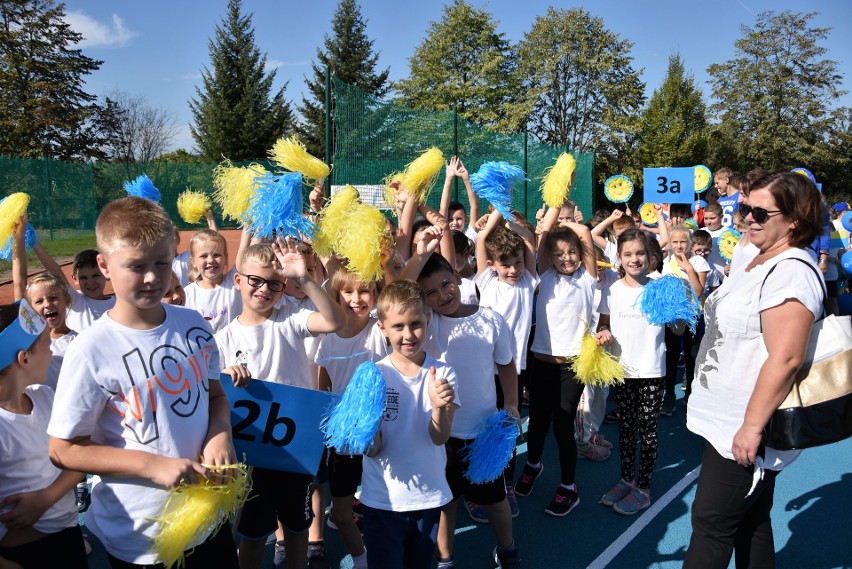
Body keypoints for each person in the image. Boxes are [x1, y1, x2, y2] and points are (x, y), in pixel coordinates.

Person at [47, 196, 239, 569]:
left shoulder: (194, 324)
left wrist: (220, 433)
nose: (152, 276)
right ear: (104, 265)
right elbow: (63, 449)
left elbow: (215, 396)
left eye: (162, 263)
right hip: (143, 537)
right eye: (136, 266)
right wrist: (152, 465)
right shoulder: (90, 349)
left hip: (208, 517)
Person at [684, 171, 826, 568]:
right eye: (746, 209)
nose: (749, 218)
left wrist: (750, 425)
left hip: (744, 425)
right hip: (725, 416)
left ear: (794, 219)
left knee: (711, 526)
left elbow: (786, 358)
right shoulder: (756, 255)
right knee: (751, 521)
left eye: (761, 213)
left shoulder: (792, 270)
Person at [216, 241, 345, 569]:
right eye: (255, 280)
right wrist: (225, 375)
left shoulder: (291, 316)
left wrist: (304, 279)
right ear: (238, 280)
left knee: (298, 527)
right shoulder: (223, 339)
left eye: (274, 283)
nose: (264, 290)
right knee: (253, 533)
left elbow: (334, 322)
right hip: (252, 456)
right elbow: (214, 391)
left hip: (295, 450)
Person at [400, 228, 521, 568]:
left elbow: (507, 365)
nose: (442, 295)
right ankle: (445, 558)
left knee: (495, 501)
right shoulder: (426, 323)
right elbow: (399, 291)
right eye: (431, 293)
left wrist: (510, 404)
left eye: (446, 284)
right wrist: (420, 254)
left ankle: (508, 549)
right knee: (445, 503)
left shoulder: (491, 320)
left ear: (457, 275)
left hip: (482, 434)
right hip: (439, 434)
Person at [516, 202, 609, 517]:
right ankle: (533, 465)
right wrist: (551, 213)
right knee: (538, 423)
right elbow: (542, 241)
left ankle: (569, 487)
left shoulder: (586, 278)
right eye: (559, 254)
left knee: (563, 426)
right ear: (549, 258)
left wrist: (566, 206)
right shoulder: (543, 276)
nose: (566, 258)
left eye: (571, 252)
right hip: (540, 362)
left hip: (572, 365)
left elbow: (584, 236)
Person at [361, 280, 458, 569]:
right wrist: (365, 423)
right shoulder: (372, 376)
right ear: (382, 327)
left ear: (428, 319)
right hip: (382, 500)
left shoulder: (444, 373)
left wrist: (439, 408)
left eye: (415, 324)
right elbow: (372, 449)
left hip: (427, 497)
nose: (408, 334)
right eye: (398, 326)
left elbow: (440, 438)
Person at [597, 229, 685, 515]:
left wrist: (678, 312)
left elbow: (678, 329)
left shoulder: (660, 287)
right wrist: (603, 333)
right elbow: (603, 324)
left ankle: (643, 487)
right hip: (621, 372)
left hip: (650, 370)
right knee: (625, 429)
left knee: (647, 431)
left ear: (650, 258)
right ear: (619, 258)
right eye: (628, 255)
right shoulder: (611, 290)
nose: (634, 259)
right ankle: (625, 479)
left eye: (640, 254)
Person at [0, 300, 88, 569]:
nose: (52, 352)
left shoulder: (47, 398)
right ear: (24, 359)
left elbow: (81, 459)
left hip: (68, 534)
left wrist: (46, 498)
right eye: (46, 346)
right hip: (22, 553)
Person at [314, 269, 389, 569]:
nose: (356, 299)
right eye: (348, 292)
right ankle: (362, 559)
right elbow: (323, 392)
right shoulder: (326, 341)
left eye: (365, 291)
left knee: (385, 509)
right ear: (336, 295)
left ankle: (391, 553)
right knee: (342, 513)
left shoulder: (380, 330)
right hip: (345, 444)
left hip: (382, 439)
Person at [10, 217, 77, 390]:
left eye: (54, 298)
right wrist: (18, 237)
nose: (47, 304)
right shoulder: (29, 338)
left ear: (67, 301)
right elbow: (19, 283)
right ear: (29, 309)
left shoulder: (80, 340)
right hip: (39, 411)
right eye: (39, 301)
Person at [661, 225, 710, 414]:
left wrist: (688, 268)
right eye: (675, 241)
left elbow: (699, 292)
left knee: (692, 357)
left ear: (689, 243)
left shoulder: (698, 261)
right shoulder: (667, 262)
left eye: (683, 241)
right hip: (673, 317)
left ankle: (691, 394)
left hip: (693, 316)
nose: (679, 245)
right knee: (671, 356)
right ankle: (669, 397)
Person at [34, 246, 115, 333]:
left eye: (96, 276)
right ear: (75, 278)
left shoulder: (118, 304)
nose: (90, 282)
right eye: (83, 278)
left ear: (106, 272)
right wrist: (35, 245)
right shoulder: (75, 300)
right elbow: (55, 272)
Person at [183, 228, 249, 334]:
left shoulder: (234, 281)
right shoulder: (187, 294)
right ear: (193, 261)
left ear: (226, 258)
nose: (210, 260)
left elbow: (245, 245)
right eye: (203, 256)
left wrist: (250, 223)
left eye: (216, 255)